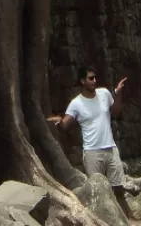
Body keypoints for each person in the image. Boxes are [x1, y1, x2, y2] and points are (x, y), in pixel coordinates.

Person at [49, 63, 129, 214]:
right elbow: (65, 126)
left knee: (119, 189)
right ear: (82, 81)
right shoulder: (76, 103)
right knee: (97, 192)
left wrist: (118, 94)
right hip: (92, 153)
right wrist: (59, 122)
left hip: (111, 149)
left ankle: (126, 219)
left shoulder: (104, 94)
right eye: (90, 78)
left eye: (95, 78)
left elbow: (116, 112)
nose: (94, 80)